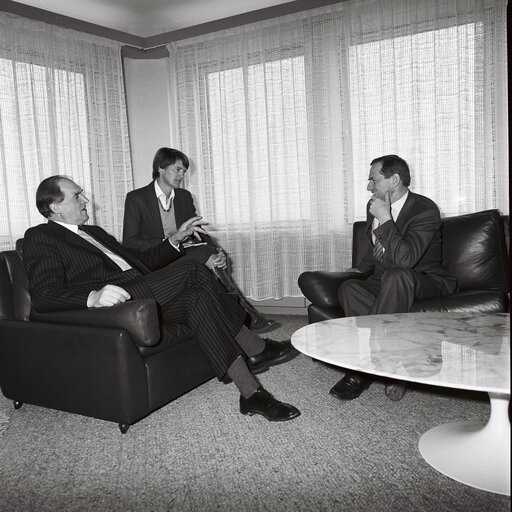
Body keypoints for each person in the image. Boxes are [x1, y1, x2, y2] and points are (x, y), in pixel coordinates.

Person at [23, 175, 300, 422]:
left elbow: (142, 262)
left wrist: (176, 239)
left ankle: (251, 394)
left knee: (197, 298)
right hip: (123, 302)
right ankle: (255, 346)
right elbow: (44, 296)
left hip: (145, 288)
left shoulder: (94, 233)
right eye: (77, 195)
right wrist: (93, 296)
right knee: (192, 268)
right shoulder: (41, 236)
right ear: (55, 206)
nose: (86, 200)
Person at [329, 155, 457, 401]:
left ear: (395, 180)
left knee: (397, 276)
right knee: (349, 289)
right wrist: (359, 268)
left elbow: (406, 260)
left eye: (373, 180)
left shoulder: (424, 209)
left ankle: (366, 368)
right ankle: (395, 365)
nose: (368, 187)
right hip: (385, 279)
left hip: (424, 280)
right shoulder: (374, 207)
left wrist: (386, 218)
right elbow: (374, 249)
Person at [122, 147, 277, 333]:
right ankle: (245, 314)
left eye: (184, 171)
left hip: (182, 255)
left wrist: (217, 250)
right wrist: (169, 241)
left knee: (209, 253)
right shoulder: (136, 198)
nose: (182, 175)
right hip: (154, 260)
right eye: (177, 169)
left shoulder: (184, 197)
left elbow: (197, 231)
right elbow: (130, 243)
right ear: (160, 168)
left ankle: (239, 316)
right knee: (203, 252)